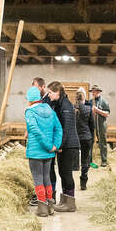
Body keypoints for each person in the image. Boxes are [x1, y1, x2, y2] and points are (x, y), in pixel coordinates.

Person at [25, 86, 63, 217]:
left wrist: (48, 145)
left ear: (30, 99)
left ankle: (42, 208)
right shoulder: (50, 110)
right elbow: (58, 129)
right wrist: (54, 146)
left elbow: (35, 130)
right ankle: (50, 206)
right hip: (49, 152)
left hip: (36, 152)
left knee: (38, 179)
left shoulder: (30, 112)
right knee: (47, 177)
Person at [46, 81, 80, 212]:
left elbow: (66, 129)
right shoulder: (59, 103)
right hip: (64, 145)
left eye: (51, 93)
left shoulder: (66, 106)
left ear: (58, 92)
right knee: (62, 172)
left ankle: (70, 203)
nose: (48, 95)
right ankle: (64, 201)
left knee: (66, 174)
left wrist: (59, 145)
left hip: (69, 145)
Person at [74, 88, 94, 190]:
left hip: (74, 138)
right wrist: (92, 138)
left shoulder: (71, 109)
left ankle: (70, 184)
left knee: (72, 161)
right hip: (86, 138)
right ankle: (83, 182)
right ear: (84, 98)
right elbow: (92, 126)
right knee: (85, 160)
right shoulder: (88, 109)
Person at [90, 85, 110, 167]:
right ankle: (89, 161)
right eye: (92, 91)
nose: (93, 93)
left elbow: (107, 114)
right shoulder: (90, 102)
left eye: (94, 91)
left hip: (101, 125)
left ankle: (104, 160)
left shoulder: (104, 102)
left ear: (98, 91)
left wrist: (98, 110)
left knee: (102, 143)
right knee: (90, 143)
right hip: (92, 125)